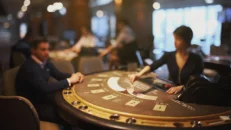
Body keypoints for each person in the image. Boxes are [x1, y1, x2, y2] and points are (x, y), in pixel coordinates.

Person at [15, 38, 84, 129]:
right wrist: (70, 80)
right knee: (69, 116)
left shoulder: (45, 63)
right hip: (33, 106)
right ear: (33, 50)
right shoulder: (30, 67)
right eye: (43, 49)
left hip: (44, 100)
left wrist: (75, 75)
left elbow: (59, 75)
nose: (47, 52)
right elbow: (45, 87)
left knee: (71, 111)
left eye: (48, 49)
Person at [129, 25, 204, 94]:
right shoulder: (169, 55)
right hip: (171, 91)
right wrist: (138, 74)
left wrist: (182, 87)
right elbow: (153, 66)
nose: (175, 42)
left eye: (178, 39)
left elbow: (197, 81)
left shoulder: (196, 58)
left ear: (187, 40)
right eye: (174, 38)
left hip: (188, 93)